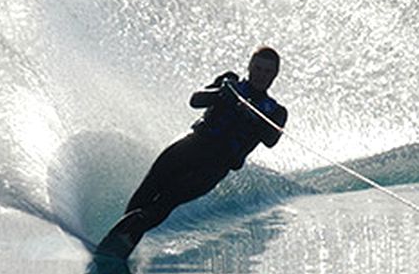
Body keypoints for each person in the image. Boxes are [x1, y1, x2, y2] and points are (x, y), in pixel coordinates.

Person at [96, 46, 287, 258]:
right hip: (190, 146)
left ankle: (127, 237)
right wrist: (221, 94)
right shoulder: (229, 82)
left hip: (215, 166)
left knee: (168, 199)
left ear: (275, 75)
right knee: (147, 189)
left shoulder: (276, 112)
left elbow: (271, 140)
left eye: (268, 71)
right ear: (250, 66)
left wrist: (253, 116)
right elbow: (195, 100)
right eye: (258, 68)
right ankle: (121, 237)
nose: (261, 74)